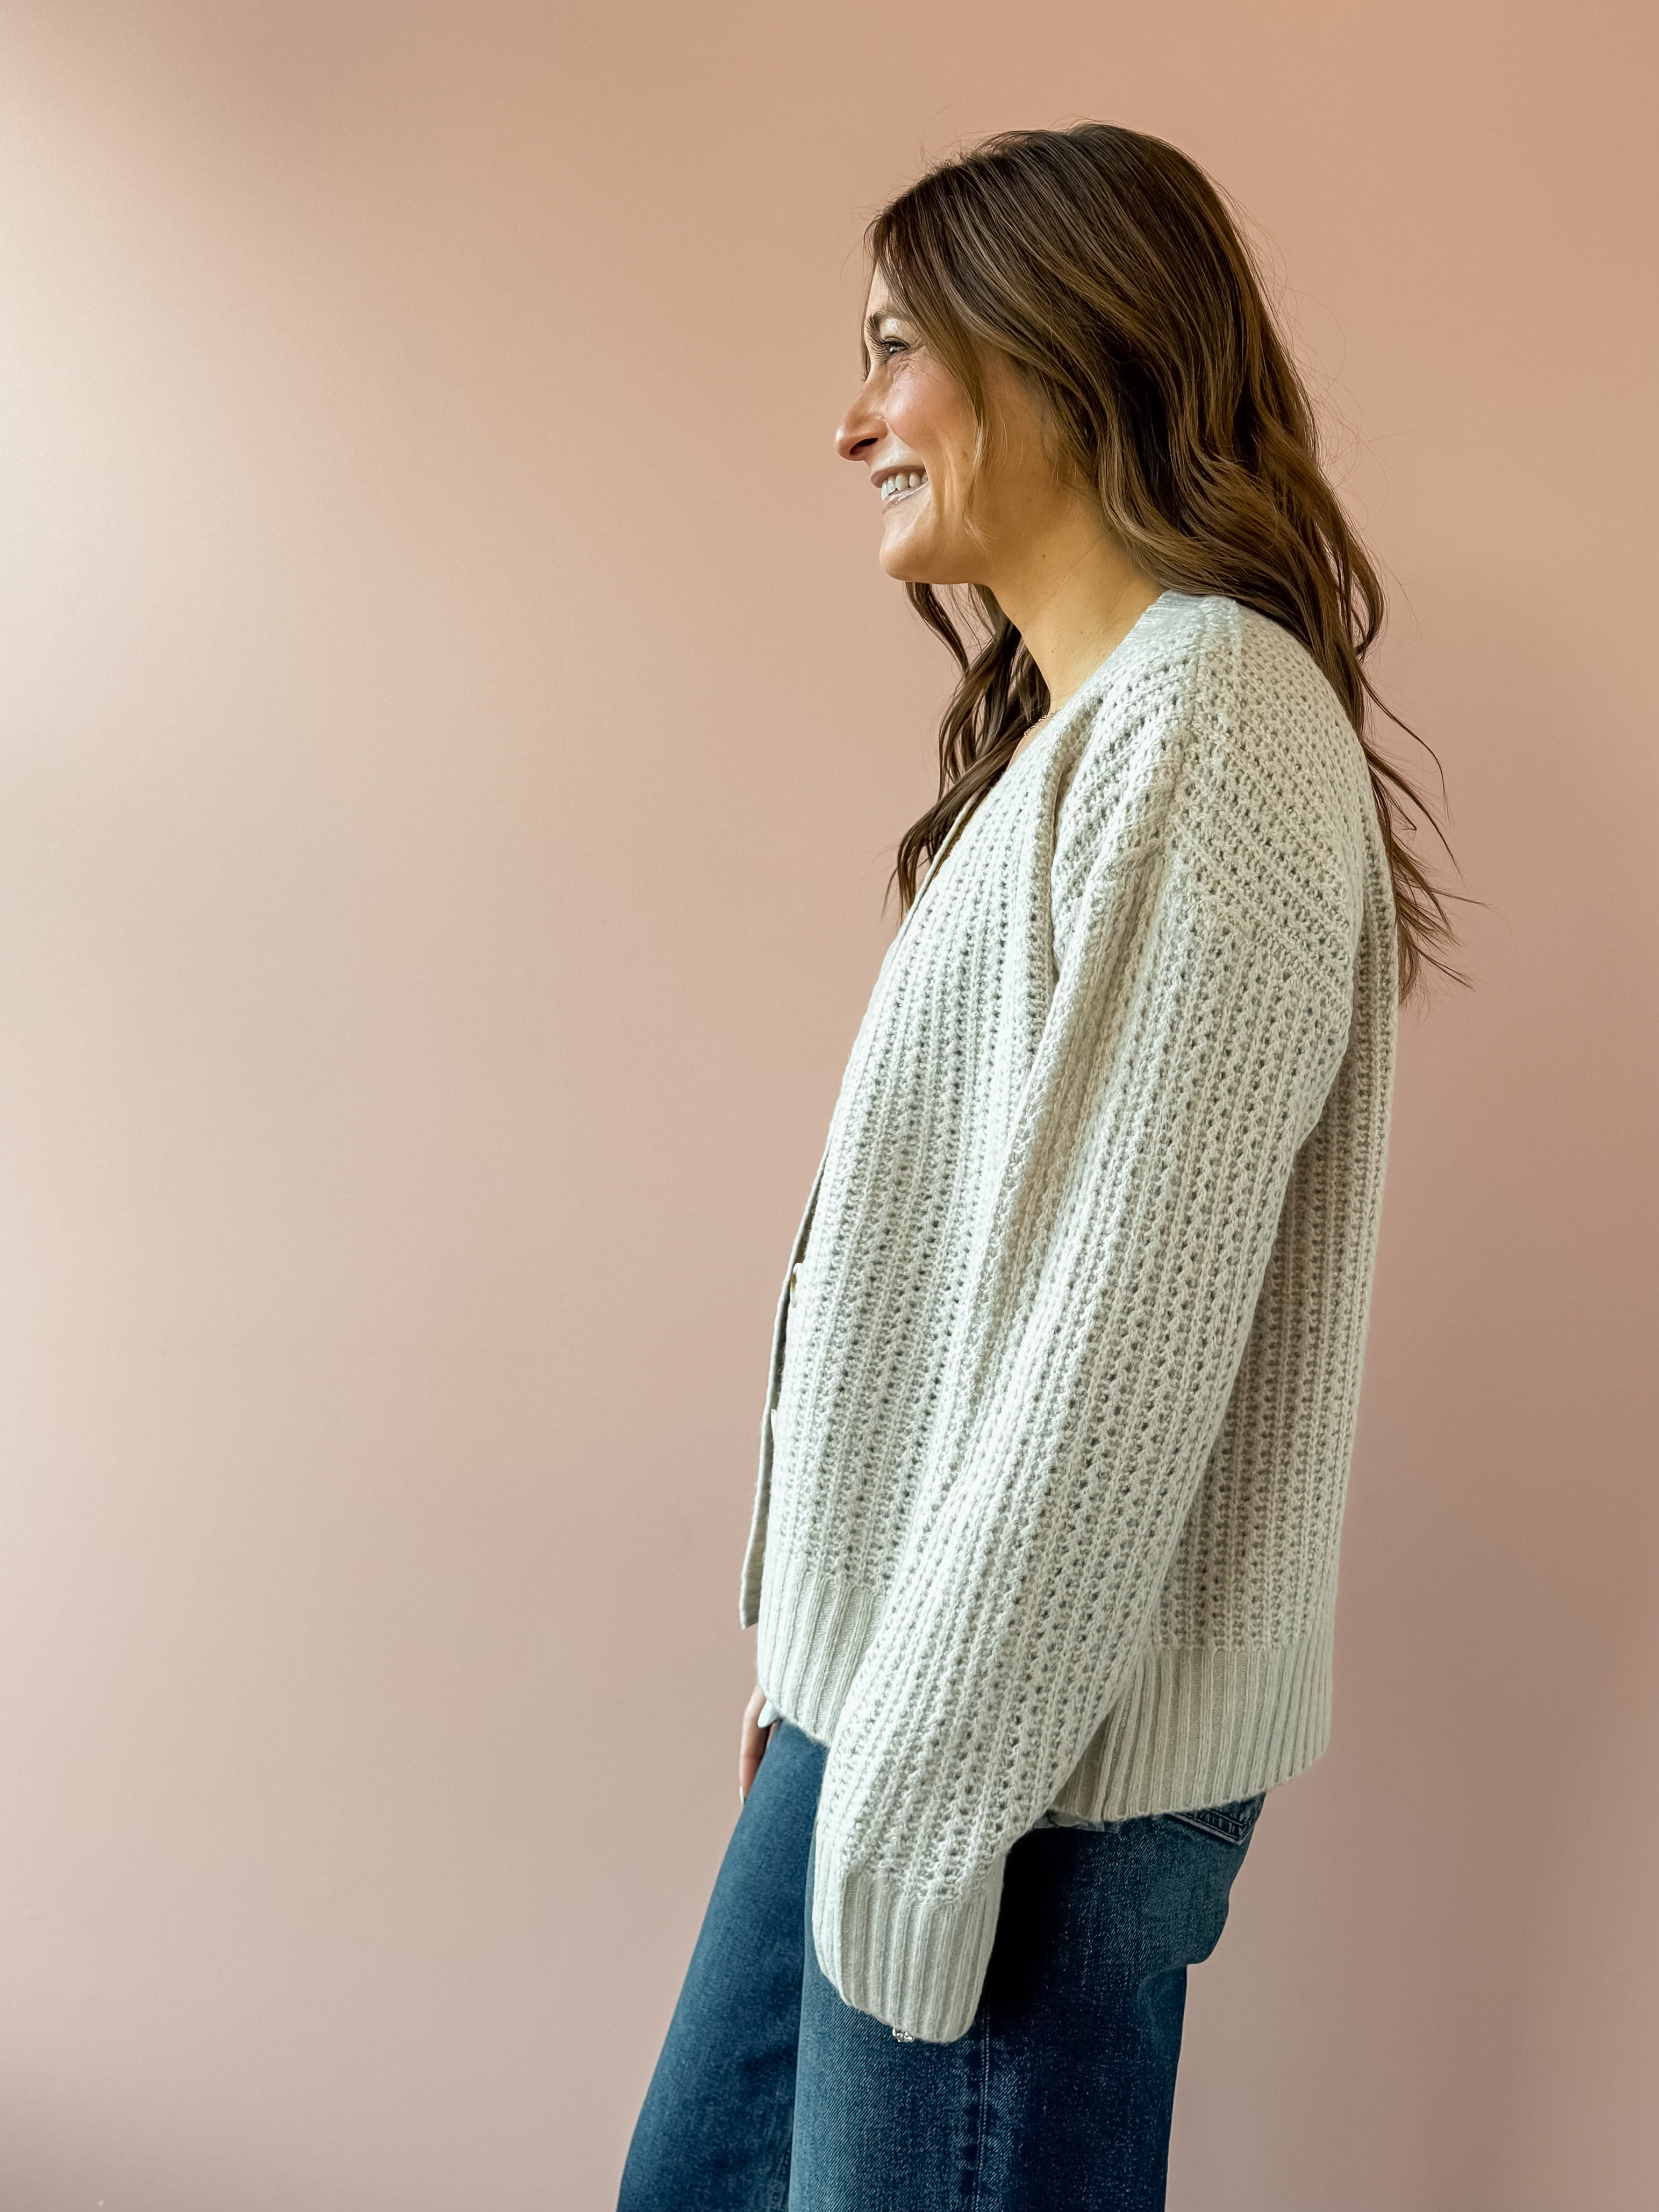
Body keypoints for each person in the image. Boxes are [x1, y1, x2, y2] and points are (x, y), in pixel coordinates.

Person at [618, 121, 1455, 2211]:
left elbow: (1113, 1352)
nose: (853, 423)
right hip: (902, 1726)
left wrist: (916, 1799)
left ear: (1058, 352)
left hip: (1008, 1783)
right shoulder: (1084, 746)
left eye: (894, 350)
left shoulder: (1216, 724)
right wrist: (818, 1679)